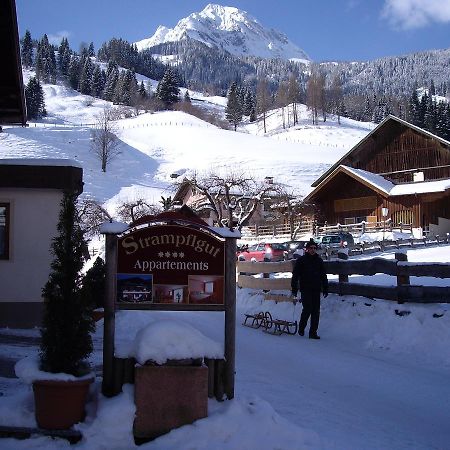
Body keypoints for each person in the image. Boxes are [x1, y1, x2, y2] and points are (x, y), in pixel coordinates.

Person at [291, 239, 328, 339]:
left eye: (314, 248)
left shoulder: (319, 261)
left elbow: (323, 275)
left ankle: (313, 332)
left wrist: (325, 287)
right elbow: (295, 276)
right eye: (311, 248)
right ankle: (301, 328)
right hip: (305, 288)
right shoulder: (301, 261)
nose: (313, 250)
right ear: (307, 249)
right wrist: (294, 289)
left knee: (316, 311)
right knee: (307, 309)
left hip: (316, 288)